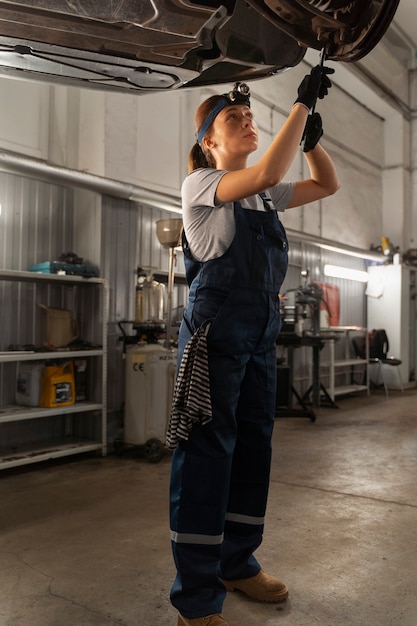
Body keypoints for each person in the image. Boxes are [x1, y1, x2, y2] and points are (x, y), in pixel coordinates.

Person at [167, 64, 340, 626]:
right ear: (208, 142)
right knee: (207, 453)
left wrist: (312, 140)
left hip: (261, 334)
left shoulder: (264, 200)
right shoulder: (202, 186)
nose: (247, 122)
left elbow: (326, 185)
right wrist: (299, 106)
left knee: (254, 448)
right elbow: (266, 172)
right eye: (233, 118)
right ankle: (195, 598)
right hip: (216, 335)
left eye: (249, 116)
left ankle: (236, 563)